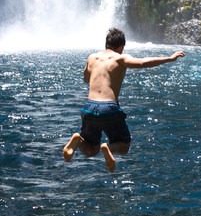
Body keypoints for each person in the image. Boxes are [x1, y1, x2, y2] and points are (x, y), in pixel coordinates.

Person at [62, 27, 184, 172]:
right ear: (121, 47)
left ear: (106, 44)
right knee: (124, 145)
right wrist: (169, 58)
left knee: (90, 149)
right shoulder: (120, 58)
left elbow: (86, 78)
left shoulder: (92, 57)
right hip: (109, 108)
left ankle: (78, 140)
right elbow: (143, 62)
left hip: (89, 107)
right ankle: (109, 148)